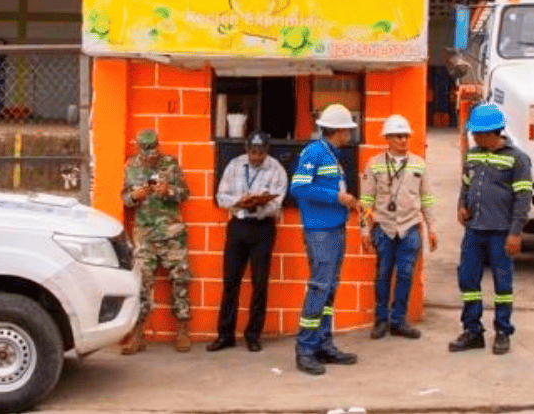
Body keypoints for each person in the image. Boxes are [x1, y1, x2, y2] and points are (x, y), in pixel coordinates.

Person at [450, 102, 532, 356]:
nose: (473, 136)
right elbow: (466, 183)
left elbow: (523, 199)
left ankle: (503, 332)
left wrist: (515, 233)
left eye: (477, 132)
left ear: (492, 132)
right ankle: (473, 331)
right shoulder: (473, 154)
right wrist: (461, 205)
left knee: (503, 285)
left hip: (501, 233)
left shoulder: (517, 159)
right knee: (468, 280)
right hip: (474, 230)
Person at [288, 104, 361, 375]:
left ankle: (323, 343)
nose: (350, 135)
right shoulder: (314, 152)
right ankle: (305, 348)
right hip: (320, 231)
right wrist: (336, 198)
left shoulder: (331, 154)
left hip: (335, 227)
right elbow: (298, 187)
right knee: (319, 287)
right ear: (338, 130)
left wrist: (345, 201)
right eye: (347, 130)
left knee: (329, 289)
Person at [207, 132, 286, 353]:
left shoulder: (276, 169)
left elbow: (278, 201)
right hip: (238, 225)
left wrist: (259, 205)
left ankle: (253, 335)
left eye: (261, 153)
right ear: (246, 148)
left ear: (267, 150)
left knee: (259, 283)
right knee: (230, 282)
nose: (257, 157)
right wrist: (240, 202)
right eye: (253, 152)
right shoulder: (234, 165)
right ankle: (225, 335)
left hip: (262, 227)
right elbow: (221, 197)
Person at [362, 114, 437, 340]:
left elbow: (427, 198)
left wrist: (432, 228)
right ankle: (381, 320)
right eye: (398, 136)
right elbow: (366, 201)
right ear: (387, 138)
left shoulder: (418, 164)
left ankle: (399, 320)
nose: (403, 140)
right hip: (384, 227)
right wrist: (365, 231)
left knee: (405, 275)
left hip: (410, 227)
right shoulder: (374, 165)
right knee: (383, 274)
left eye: (406, 136)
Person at [120, 128, 192, 353]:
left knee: (180, 280)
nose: (150, 154)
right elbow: (124, 197)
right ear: (138, 147)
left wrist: (168, 190)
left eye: (153, 149)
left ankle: (182, 332)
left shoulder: (170, 164)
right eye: (145, 150)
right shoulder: (131, 166)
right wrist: (135, 197)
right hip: (145, 235)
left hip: (171, 233)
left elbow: (184, 194)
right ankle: (138, 335)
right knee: (142, 284)